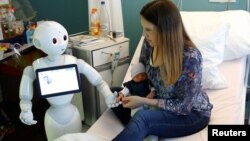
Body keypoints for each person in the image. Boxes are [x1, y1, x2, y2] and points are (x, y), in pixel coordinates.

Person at [112, 0, 213, 141]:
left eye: (148, 30)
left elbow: (184, 106)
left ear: (165, 30)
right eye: (143, 28)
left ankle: (142, 127)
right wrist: (127, 92)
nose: (144, 35)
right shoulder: (149, 45)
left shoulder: (190, 58)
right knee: (114, 94)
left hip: (190, 114)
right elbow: (144, 73)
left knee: (143, 118)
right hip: (159, 97)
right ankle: (142, 131)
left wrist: (144, 101)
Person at [19, 21, 117, 141]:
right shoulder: (34, 67)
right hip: (52, 119)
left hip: (72, 115)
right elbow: (25, 97)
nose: (61, 43)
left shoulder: (74, 62)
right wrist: (25, 110)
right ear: (37, 43)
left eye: (64, 38)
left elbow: (99, 81)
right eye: (55, 41)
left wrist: (108, 95)